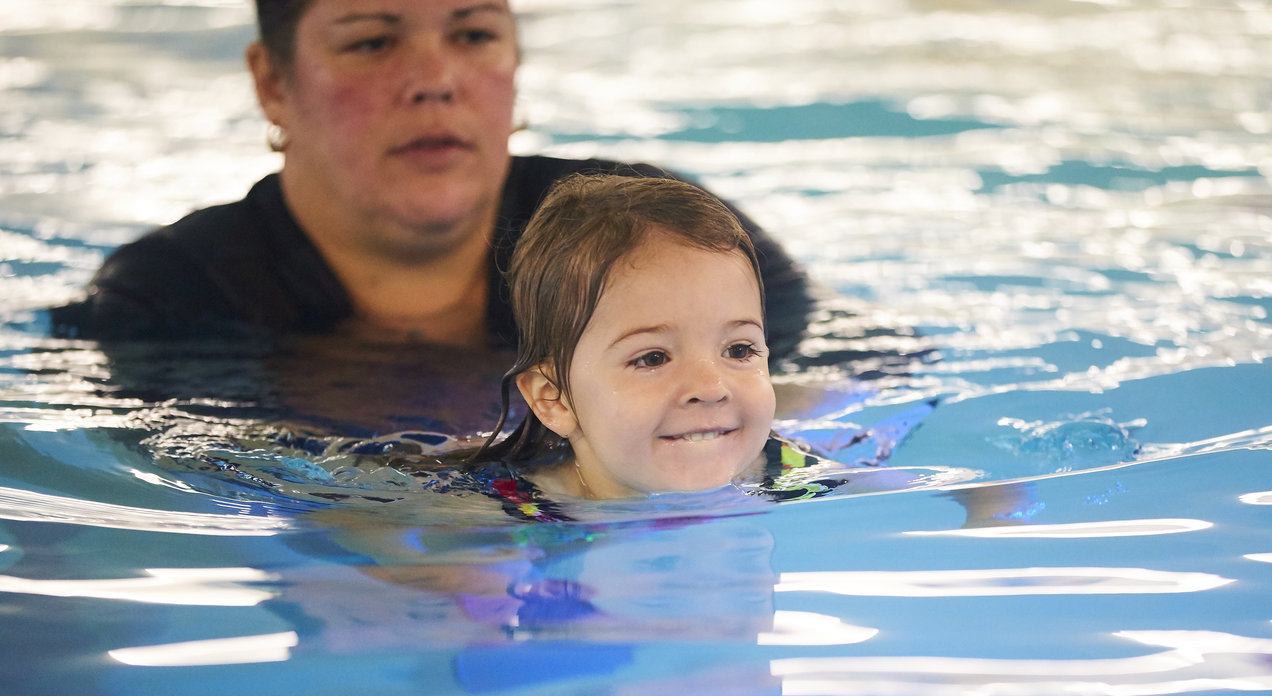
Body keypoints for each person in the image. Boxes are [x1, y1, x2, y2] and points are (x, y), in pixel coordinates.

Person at [50, 0, 813, 361]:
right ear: (273, 81)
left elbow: (846, 399)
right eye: (373, 41)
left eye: (474, 34)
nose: (435, 80)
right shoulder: (171, 300)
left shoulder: (657, 240)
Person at [464, 173, 844, 514]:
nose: (710, 388)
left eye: (739, 350)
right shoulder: (511, 510)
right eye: (653, 358)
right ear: (555, 399)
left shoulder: (799, 476)